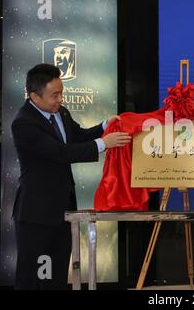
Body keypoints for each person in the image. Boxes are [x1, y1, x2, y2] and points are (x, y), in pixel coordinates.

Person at [11, 63, 131, 289]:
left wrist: (104, 126)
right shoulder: (23, 123)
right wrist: (103, 144)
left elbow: (77, 136)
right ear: (34, 96)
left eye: (61, 93)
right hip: (37, 215)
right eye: (54, 95)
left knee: (56, 275)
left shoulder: (60, 112)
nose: (60, 99)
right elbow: (60, 152)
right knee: (35, 278)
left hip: (63, 210)